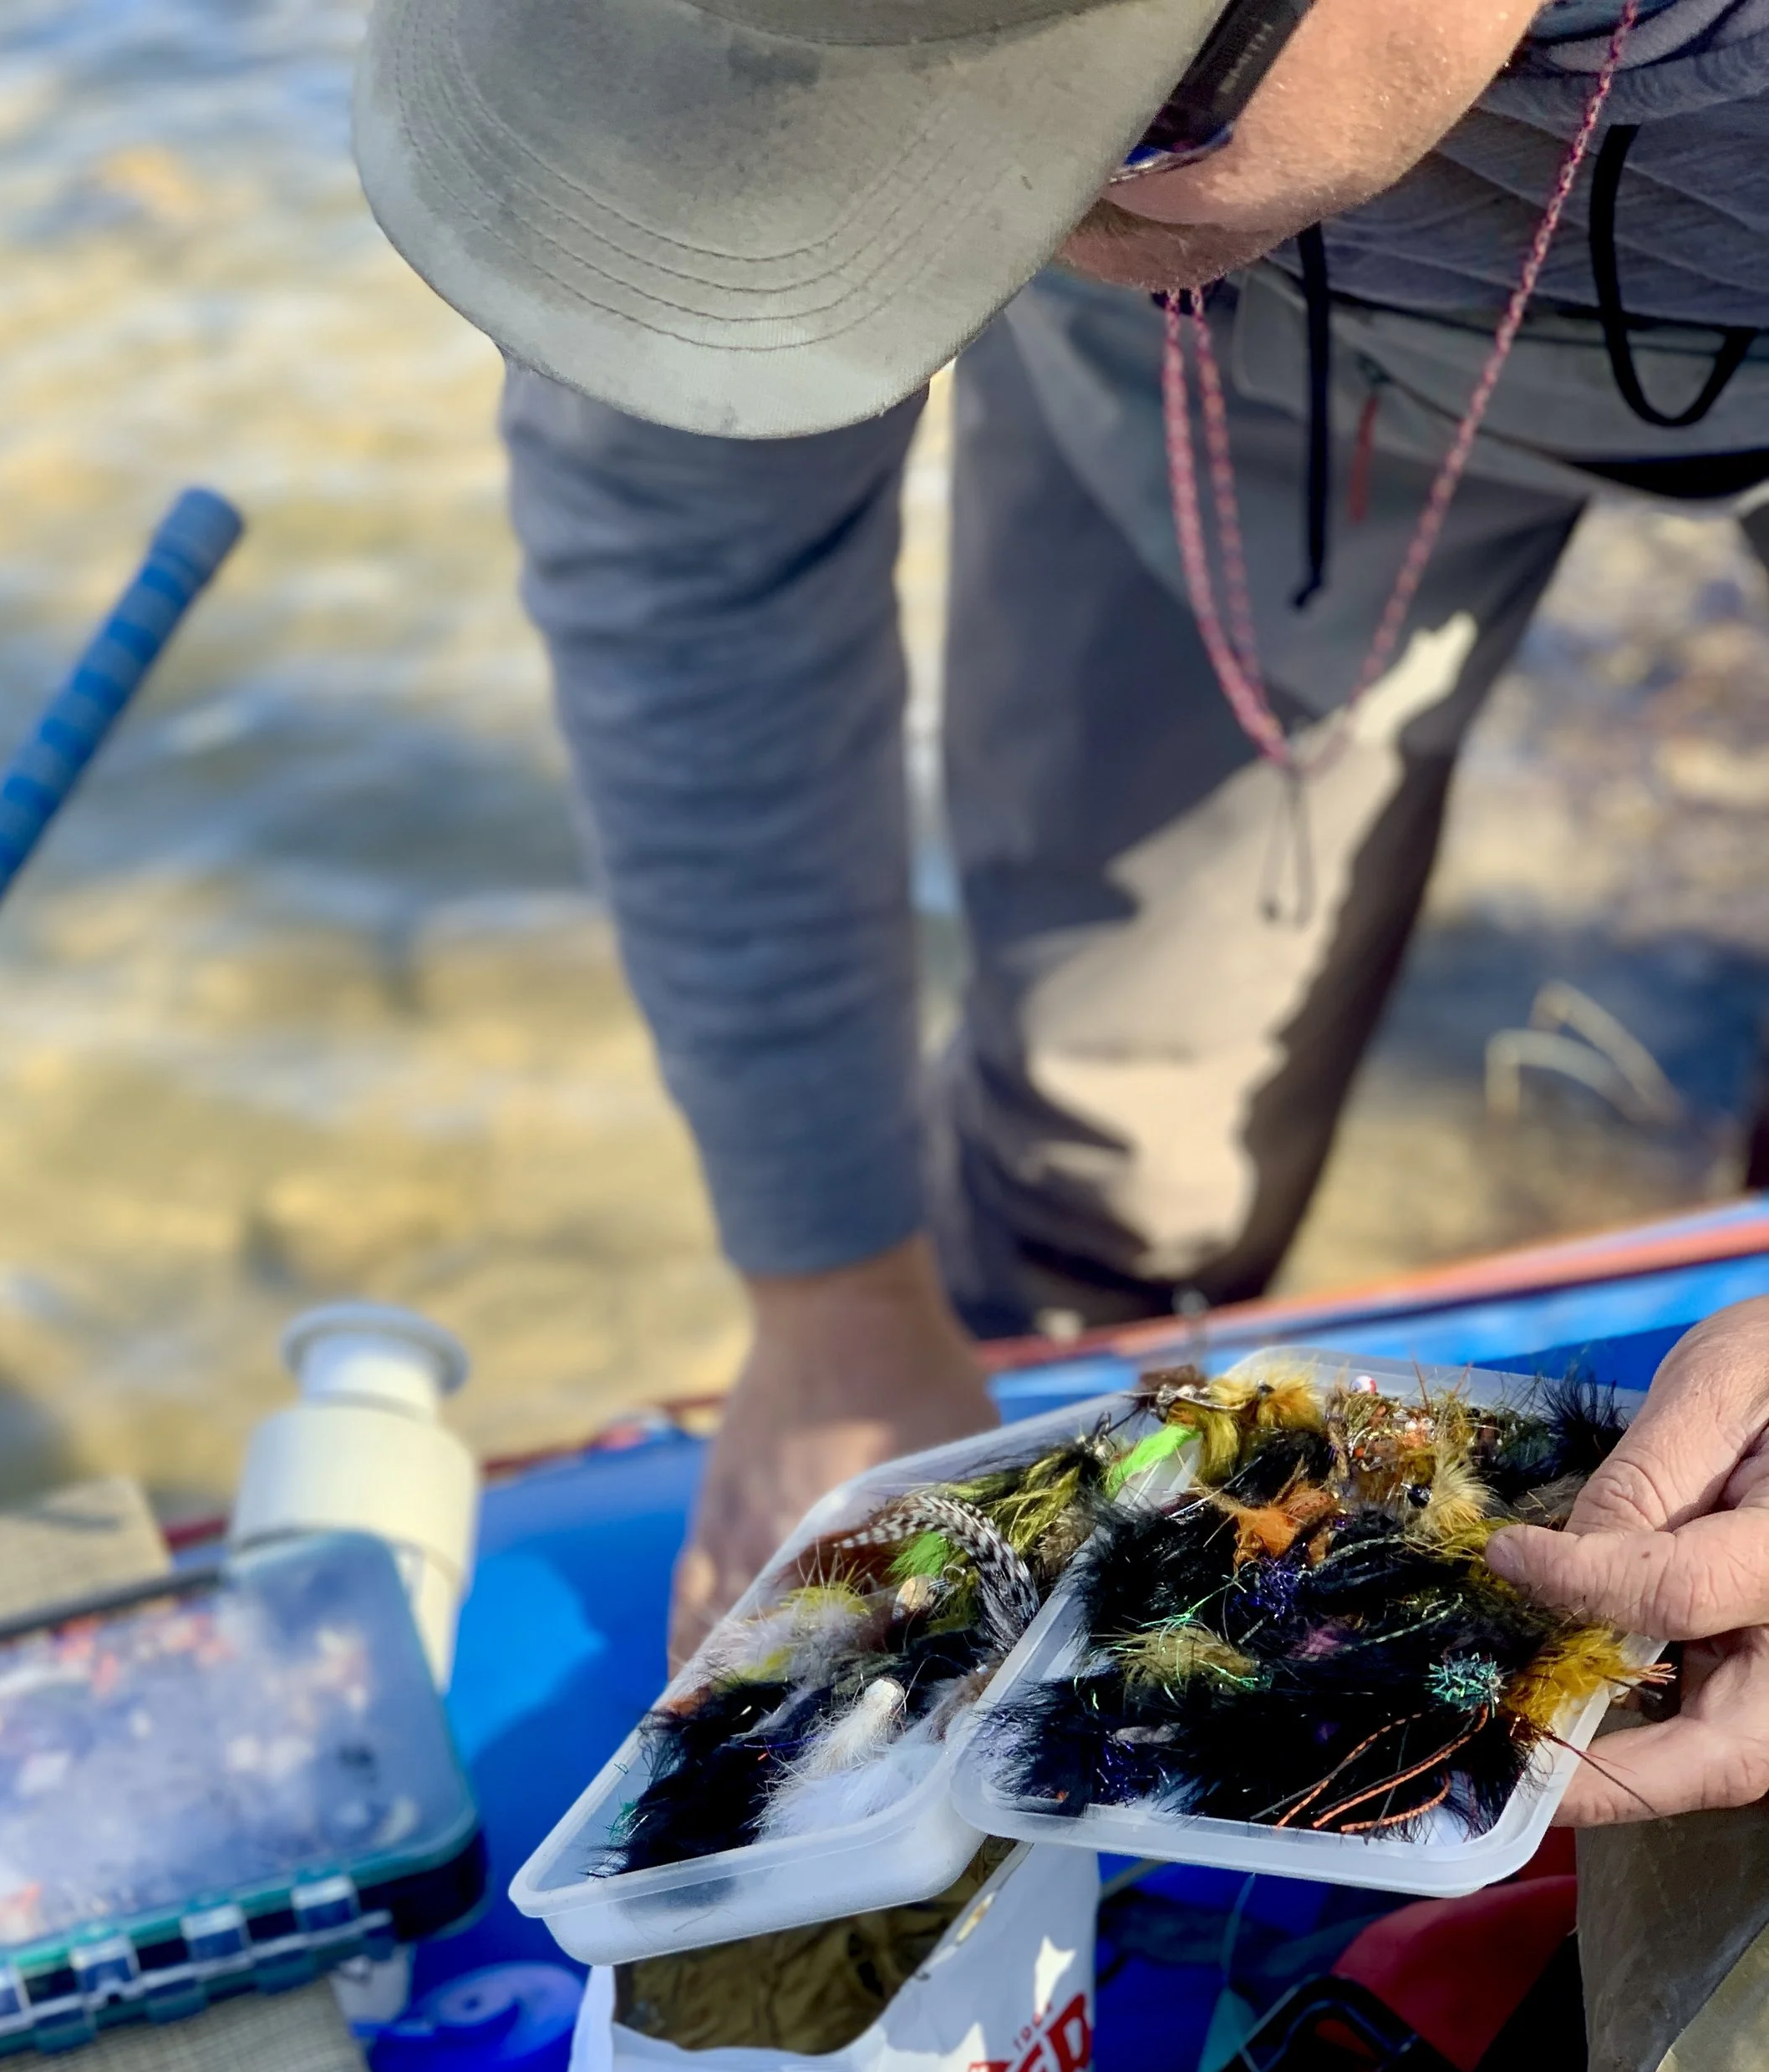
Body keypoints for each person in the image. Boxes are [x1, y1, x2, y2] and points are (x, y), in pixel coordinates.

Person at [369, 0, 1764, 1828]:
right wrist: (829, 1291)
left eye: (1105, 115)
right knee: (1108, 1179)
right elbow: (675, 519)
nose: (1017, 215)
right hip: (1216, 384)